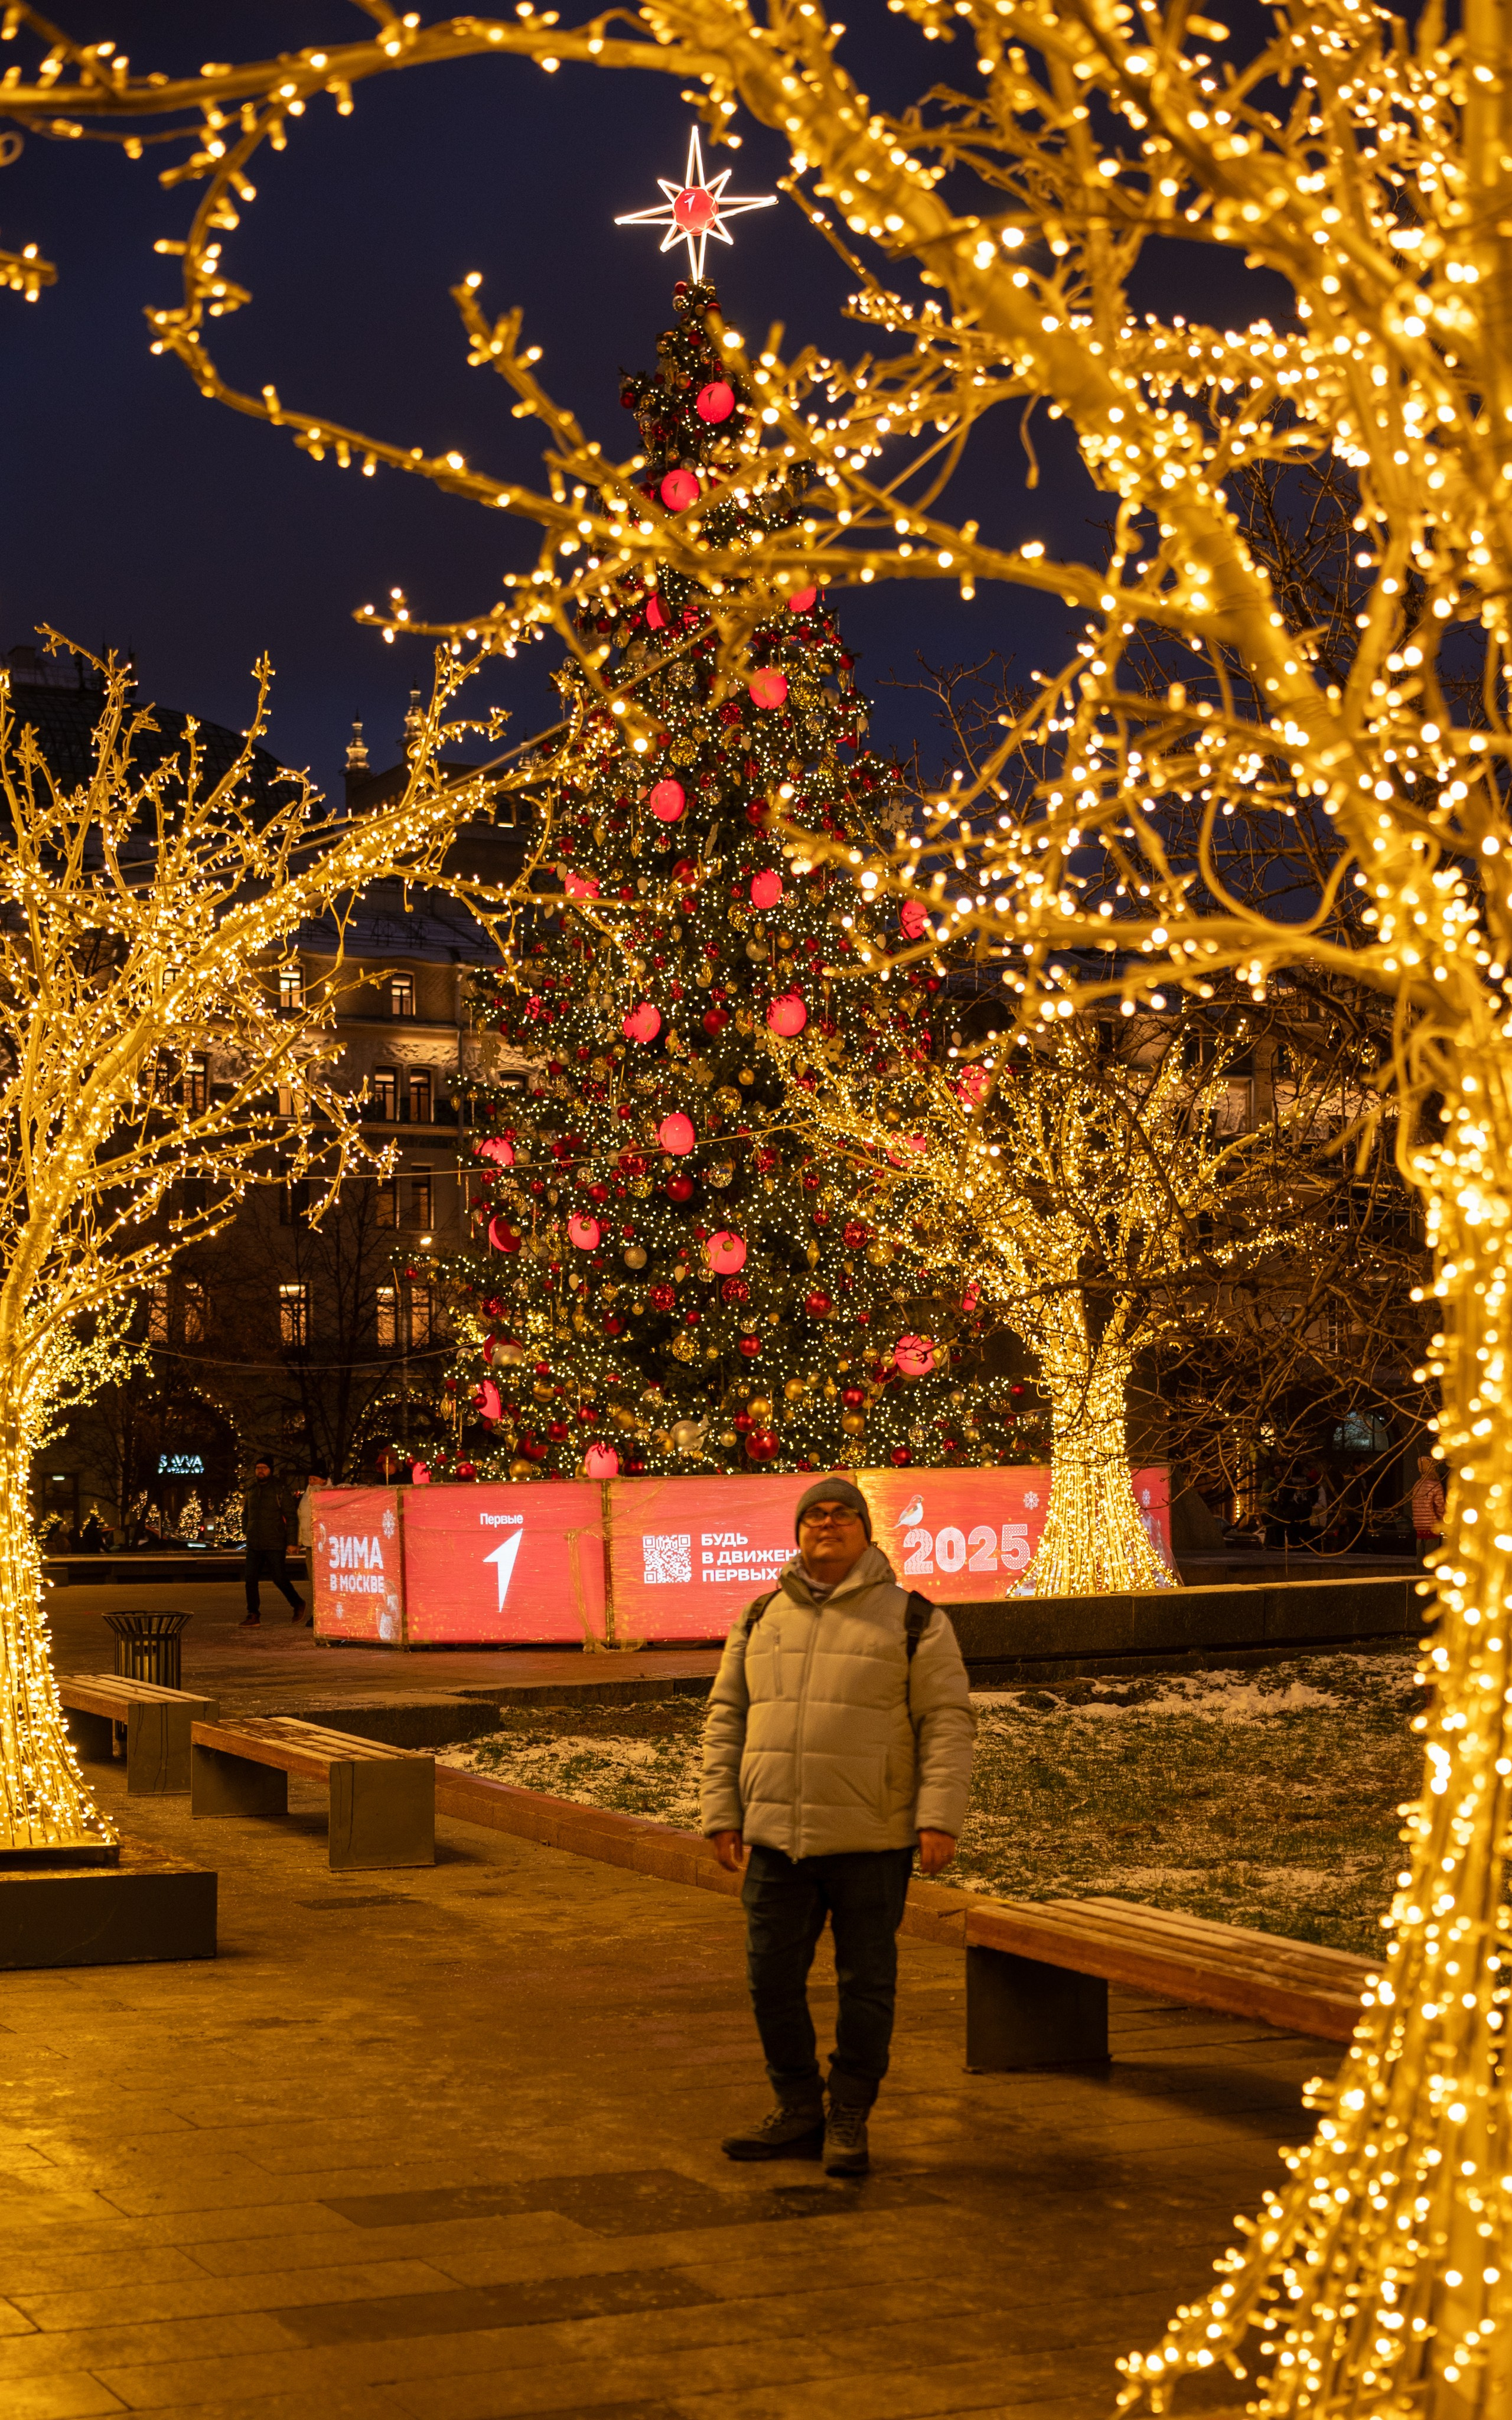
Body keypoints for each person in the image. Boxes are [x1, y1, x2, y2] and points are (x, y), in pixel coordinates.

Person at [701, 1476, 975, 2180]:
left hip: (871, 1838)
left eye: (842, 1514)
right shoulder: (760, 1616)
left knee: (866, 1984)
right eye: (815, 1515)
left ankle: (849, 2110)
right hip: (776, 1838)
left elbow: (946, 1722)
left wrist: (938, 1816)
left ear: (865, 1530)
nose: (828, 1524)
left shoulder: (914, 1619)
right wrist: (721, 1812)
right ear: (798, 1532)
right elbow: (726, 1716)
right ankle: (797, 2107)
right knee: (770, 1981)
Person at [239, 1459, 305, 1625]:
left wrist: (291, 1542)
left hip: (275, 1542)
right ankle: (253, 1614)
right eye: (258, 1468)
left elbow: (291, 1517)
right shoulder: (252, 1490)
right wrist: (246, 1529)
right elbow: (246, 1513)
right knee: (250, 1578)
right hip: (255, 1543)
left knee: (279, 1577)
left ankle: (297, 1603)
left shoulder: (279, 1489)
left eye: (264, 1468)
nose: (260, 1471)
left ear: (271, 1470)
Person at [294, 1468, 328, 1628]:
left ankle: (324, 1613)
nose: (311, 1482)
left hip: (327, 1546)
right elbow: (301, 1519)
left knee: (325, 1581)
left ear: (323, 1480)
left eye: (315, 1479)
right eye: (310, 1479)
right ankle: (318, 1613)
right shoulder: (306, 1497)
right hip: (310, 1546)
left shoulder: (331, 1493)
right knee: (314, 1582)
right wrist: (299, 1541)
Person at [1411, 1454, 1446, 1566]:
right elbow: (1440, 1507)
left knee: (1420, 1560)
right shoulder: (1435, 1485)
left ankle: (1418, 1580)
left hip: (1420, 1528)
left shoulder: (1417, 1485)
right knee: (1432, 1561)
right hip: (1432, 1527)